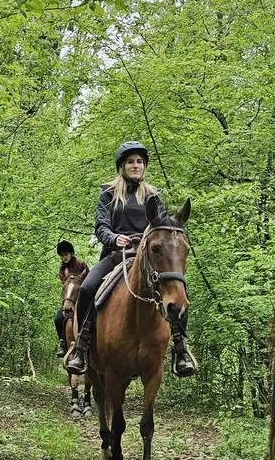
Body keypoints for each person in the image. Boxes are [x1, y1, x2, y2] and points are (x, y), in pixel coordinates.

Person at [65, 141, 196, 377]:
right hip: (116, 255)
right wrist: (114, 238)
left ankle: (180, 349)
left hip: (147, 258)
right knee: (86, 288)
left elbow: (162, 228)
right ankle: (81, 347)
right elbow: (101, 226)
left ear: (144, 166)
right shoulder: (108, 193)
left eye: (139, 162)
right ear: (122, 166)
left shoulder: (153, 195)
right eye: (130, 162)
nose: (135, 165)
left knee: (178, 290)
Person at [54, 241, 89, 357]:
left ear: (71, 253)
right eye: (62, 255)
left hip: (82, 296)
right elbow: (65, 285)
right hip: (69, 298)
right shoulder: (62, 270)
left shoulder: (81, 264)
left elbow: (88, 278)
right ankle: (62, 343)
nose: (64, 257)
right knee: (58, 319)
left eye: (66, 254)